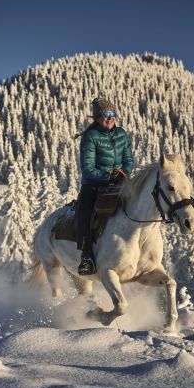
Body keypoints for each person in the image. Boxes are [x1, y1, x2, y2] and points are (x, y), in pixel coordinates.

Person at [75, 97, 134, 275]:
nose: (110, 118)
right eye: (105, 115)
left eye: (112, 114)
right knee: (83, 214)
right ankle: (86, 258)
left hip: (120, 182)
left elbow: (129, 159)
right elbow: (88, 168)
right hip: (94, 185)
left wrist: (124, 172)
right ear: (97, 118)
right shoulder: (90, 137)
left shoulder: (121, 134)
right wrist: (108, 176)